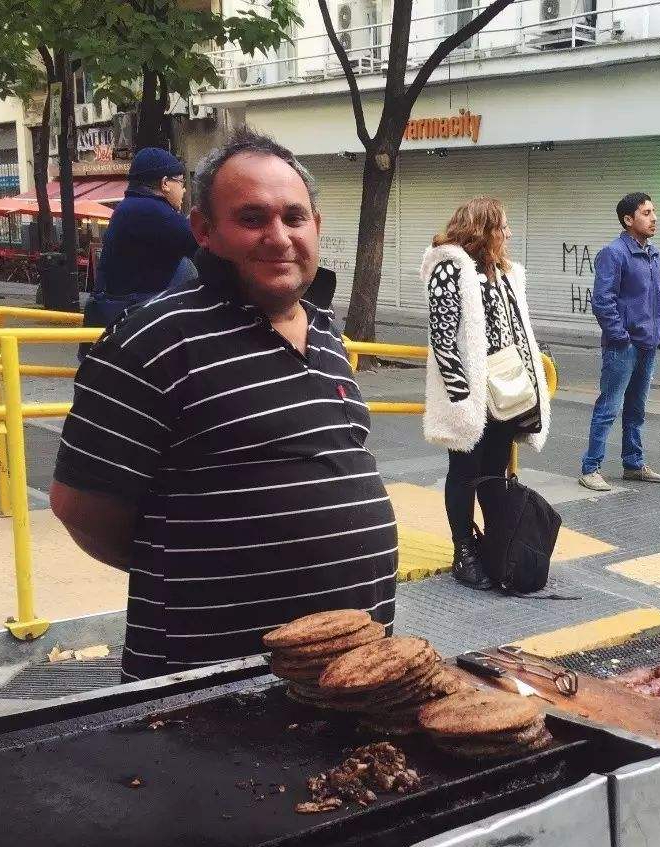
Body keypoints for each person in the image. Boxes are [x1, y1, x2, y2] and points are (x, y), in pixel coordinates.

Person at [50, 128, 398, 682]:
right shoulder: (152, 341)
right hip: (209, 693)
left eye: (294, 217)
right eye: (253, 218)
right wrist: (194, 569)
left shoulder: (329, 335)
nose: (279, 236)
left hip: (352, 678)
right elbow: (80, 508)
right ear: (203, 231)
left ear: (317, 227)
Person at [422, 197, 550, 590]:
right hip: (472, 394)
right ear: (483, 230)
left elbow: (518, 332)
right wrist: (462, 400)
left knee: (494, 472)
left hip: (507, 390)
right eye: (503, 226)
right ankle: (463, 550)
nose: (509, 233)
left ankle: (498, 546)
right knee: (463, 473)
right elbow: (443, 339)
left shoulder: (505, 272)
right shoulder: (449, 267)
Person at [579, 192, 660, 492]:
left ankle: (633, 463)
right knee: (609, 407)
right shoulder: (614, 253)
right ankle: (590, 467)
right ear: (628, 220)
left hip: (648, 344)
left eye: (653, 211)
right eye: (646, 213)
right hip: (624, 346)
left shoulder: (654, 255)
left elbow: (658, 298)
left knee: (636, 409)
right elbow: (603, 302)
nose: (653, 217)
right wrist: (621, 337)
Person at [80, 147, 198, 359]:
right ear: (165, 183)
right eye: (181, 183)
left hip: (122, 314)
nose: (184, 191)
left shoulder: (130, 208)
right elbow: (204, 246)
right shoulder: (153, 212)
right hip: (136, 321)